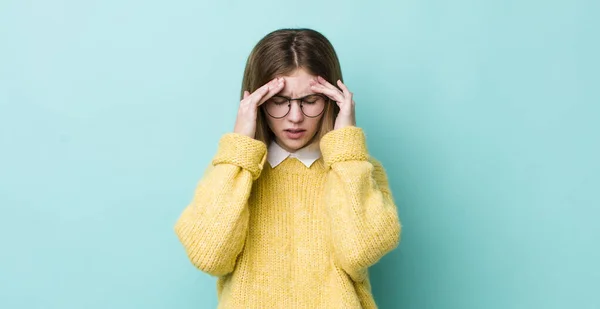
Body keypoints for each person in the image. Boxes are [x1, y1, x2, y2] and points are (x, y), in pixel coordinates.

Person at [174, 28, 402, 308]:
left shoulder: (355, 166)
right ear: (255, 103)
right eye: (279, 102)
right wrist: (239, 149)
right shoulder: (232, 170)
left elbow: (360, 252)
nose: (295, 117)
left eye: (310, 101)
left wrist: (345, 149)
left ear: (332, 99)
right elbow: (209, 256)